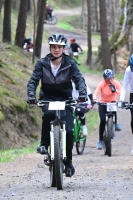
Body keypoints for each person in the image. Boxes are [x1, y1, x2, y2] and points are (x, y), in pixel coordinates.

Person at [27, 34, 87, 177]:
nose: (56, 50)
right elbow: (33, 81)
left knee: (70, 130)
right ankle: (44, 143)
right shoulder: (42, 63)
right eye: (54, 47)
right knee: (48, 115)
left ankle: (69, 162)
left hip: (65, 98)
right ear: (50, 48)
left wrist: (82, 94)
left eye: (59, 47)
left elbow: (79, 79)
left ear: (63, 48)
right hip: (48, 97)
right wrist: (31, 95)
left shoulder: (70, 63)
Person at [93, 69, 122, 150]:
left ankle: (115, 123)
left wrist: (115, 90)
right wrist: (95, 99)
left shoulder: (116, 83)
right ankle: (100, 141)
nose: (109, 80)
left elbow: (122, 93)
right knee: (102, 121)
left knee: (114, 108)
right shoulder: (102, 84)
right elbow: (96, 93)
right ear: (104, 78)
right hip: (103, 103)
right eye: (107, 78)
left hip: (112, 102)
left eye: (111, 78)